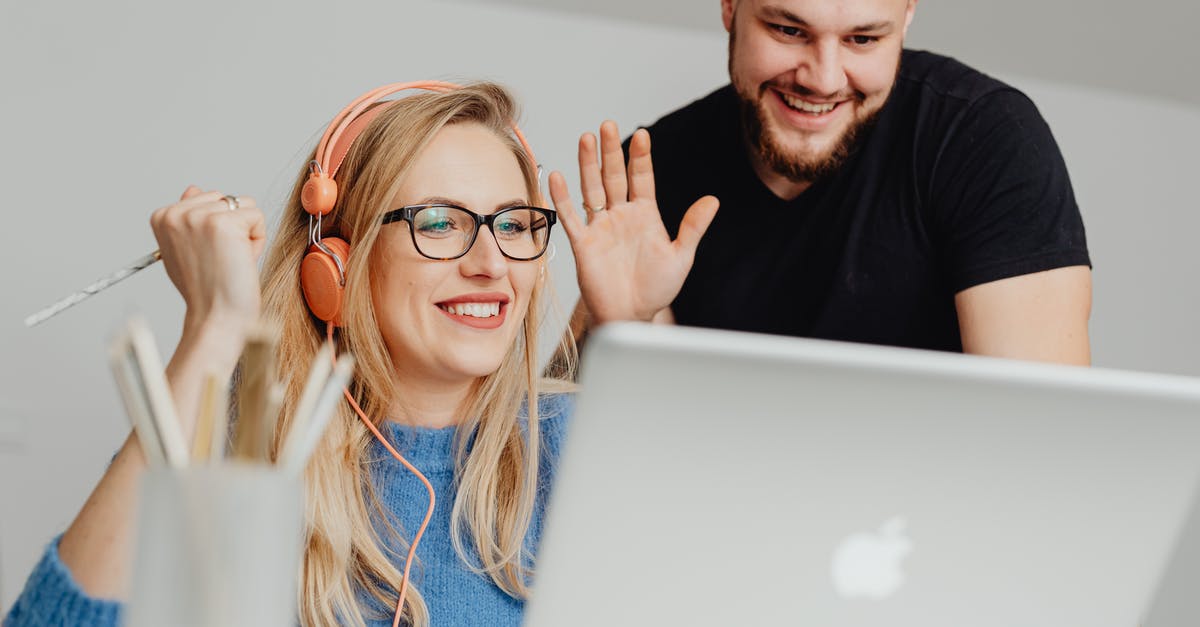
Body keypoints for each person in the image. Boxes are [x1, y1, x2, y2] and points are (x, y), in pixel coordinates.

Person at [3, 82, 716, 626]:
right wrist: (214, 328)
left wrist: (631, 334)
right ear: (333, 266)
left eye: (515, 223)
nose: (492, 262)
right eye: (438, 222)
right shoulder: (248, 453)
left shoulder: (574, 446)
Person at [570, 0, 1092, 365]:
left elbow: (1041, 449)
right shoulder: (653, 170)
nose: (822, 78)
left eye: (862, 39)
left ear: (908, 14)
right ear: (731, 6)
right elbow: (567, 460)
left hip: (922, 522)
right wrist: (621, 327)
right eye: (789, 31)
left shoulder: (985, 140)